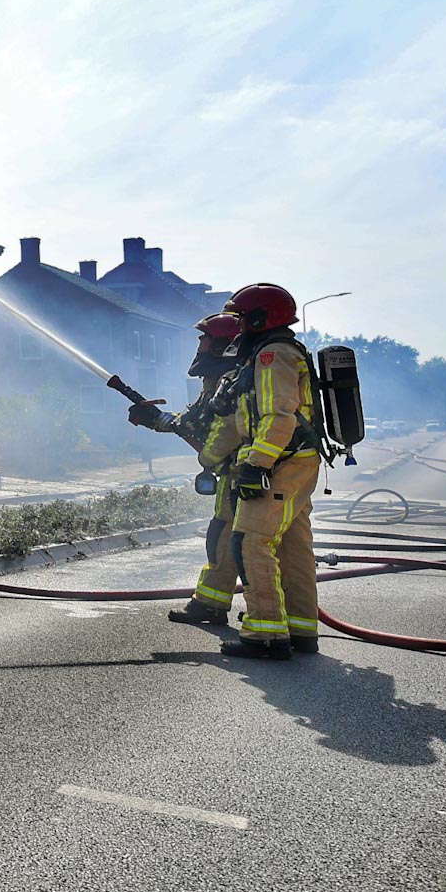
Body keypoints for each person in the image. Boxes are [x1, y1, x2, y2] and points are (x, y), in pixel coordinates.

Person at [213, 283, 323, 660]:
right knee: (293, 544)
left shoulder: (272, 355)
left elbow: (279, 414)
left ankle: (265, 633)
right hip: (298, 459)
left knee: (250, 540)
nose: (239, 327)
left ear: (261, 318)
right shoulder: (282, 351)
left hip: (280, 460)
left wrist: (256, 464)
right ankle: (301, 629)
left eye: (243, 319)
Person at [126, 312, 246, 627]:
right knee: (224, 536)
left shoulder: (230, 378)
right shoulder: (219, 377)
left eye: (205, 338)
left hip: (244, 475)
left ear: (222, 344)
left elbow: (216, 426)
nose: (199, 344)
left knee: (242, 542)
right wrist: (155, 419)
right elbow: (194, 420)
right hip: (237, 476)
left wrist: (207, 458)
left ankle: (265, 614)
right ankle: (213, 604)